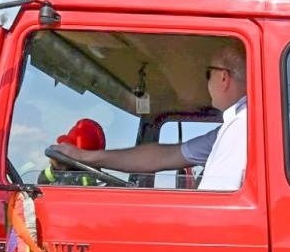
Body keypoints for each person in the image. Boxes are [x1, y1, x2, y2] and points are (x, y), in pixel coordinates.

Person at [51, 39, 249, 191]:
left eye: (208, 74)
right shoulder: (236, 127)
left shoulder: (240, 125)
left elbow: (216, 203)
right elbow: (164, 156)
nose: (206, 83)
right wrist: (83, 156)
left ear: (223, 78)